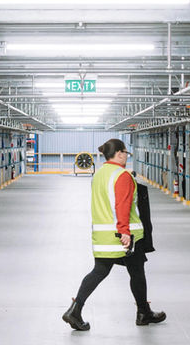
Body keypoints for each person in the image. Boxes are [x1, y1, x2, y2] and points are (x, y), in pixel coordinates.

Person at [62, 138, 166, 331]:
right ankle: (142, 313)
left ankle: (76, 310)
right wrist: (125, 231)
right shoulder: (122, 175)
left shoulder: (100, 174)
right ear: (118, 153)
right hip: (124, 237)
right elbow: (122, 205)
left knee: (102, 271)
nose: (127, 156)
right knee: (136, 272)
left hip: (103, 236)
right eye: (125, 152)